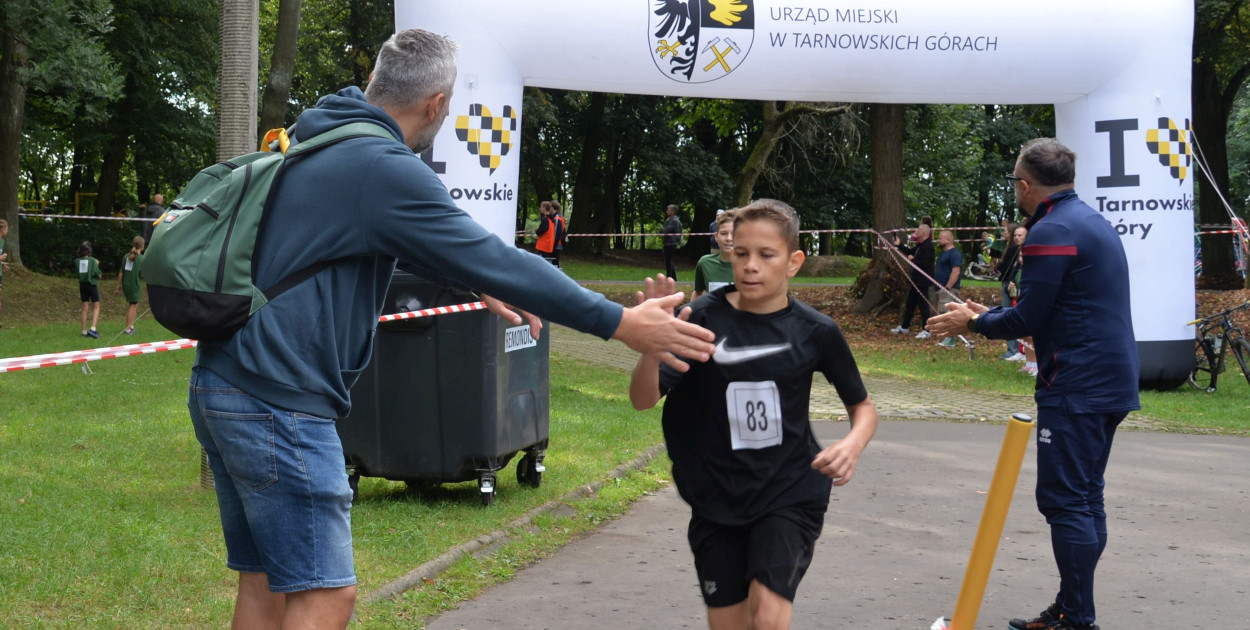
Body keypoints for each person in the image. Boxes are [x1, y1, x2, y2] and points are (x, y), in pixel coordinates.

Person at [187, 29, 717, 630]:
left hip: (223, 384)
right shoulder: (379, 165)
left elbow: (344, 245)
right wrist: (620, 322)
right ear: (437, 103)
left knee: (266, 583)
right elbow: (497, 257)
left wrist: (468, 278)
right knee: (323, 595)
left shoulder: (319, 137)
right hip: (278, 401)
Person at [629, 199, 878, 630]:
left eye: (766, 255)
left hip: (789, 490)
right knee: (730, 623)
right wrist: (651, 352)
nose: (750, 266)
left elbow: (863, 407)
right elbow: (642, 399)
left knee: (766, 612)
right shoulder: (699, 318)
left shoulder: (817, 331)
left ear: (793, 261)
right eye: (741, 253)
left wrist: (852, 444)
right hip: (715, 493)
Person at [927, 138, 1140, 630]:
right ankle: (1071, 608)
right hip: (1110, 376)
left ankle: (1078, 618)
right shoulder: (1089, 220)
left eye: (1014, 183)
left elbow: (1032, 314)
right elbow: (1057, 308)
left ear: (1025, 185)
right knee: (1086, 497)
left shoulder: (1050, 231)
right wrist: (990, 315)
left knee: (1066, 501)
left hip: (1078, 383)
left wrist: (974, 324)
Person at [888, 220, 935, 337]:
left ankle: (926, 330)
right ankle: (905, 327)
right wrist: (899, 245)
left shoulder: (928, 247)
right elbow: (909, 252)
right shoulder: (920, 245)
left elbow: (925, 263)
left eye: (918, 230)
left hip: (922, 281)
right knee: (910, 304)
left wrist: (913, 260)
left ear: (924, 232)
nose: (916, 232)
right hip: (916, 281)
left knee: (923, 305)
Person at [692, 209, 735, 299]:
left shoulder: (751, 266)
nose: (729, 238)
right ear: (716, 237)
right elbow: (698, 293)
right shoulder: (705, 264)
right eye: (724, 233)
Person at [997, 221, 1025, 360]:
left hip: (1012, 284)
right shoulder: (1013, 248)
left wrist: (1010, 279)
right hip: (1010, 282)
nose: (1016, 237)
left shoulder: (1014, 249)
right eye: (1016, 235)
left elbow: (1005, 267)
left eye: (1019, 235)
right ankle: (1014, 349)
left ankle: (1015, 349)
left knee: (1009, 314)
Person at [932, 229, 963, 348]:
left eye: (940, 238)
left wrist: (948, 287)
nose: (938, 240)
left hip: (949, 290)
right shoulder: (943, 253)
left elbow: (956, 272)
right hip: (940, 288)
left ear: (948, 239)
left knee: (947, 314)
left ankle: (950, 339)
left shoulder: (954, 253)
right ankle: (945, 337)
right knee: (941, 314)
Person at [116, 236, 145, 335]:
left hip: (126, 284)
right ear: (142, 246)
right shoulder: (142, 259)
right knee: (133, 305)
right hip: (134, 285)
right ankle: (128, 329)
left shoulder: (126, 256)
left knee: (134, 304)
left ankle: (131, 325)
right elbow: (142, 274)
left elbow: (121, 272)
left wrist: (119, 285)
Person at [74, 241, 102, 339]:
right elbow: (98, 274)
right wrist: (97, 264)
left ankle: (84, 330)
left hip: (82, 285)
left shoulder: (77, 261)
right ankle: (93, 329)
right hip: (92, 285)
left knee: (85, 308)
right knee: (96, 307)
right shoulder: (92, 260)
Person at [661, 203, 682, 280]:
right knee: (668, 261)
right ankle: (673, 278)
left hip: (671, 243)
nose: (667, 211)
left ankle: (669, 277)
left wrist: (663, 230)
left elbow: (666, 230)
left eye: (668, 210)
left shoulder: (675, 221)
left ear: (673, 211)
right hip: (667, 242)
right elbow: (663, 230)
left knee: (668, 261)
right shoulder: (668, 220)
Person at [550, 200, 567, 268]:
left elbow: (557, 232)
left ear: (552, 208)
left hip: (556, 244)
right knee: (555, 261)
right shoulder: (559, 217)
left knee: (554, 262)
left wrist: (553, 244)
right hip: (557, 243)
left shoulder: (557, 218)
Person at [0, 219, 9, 328]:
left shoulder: (2, 241)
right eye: (7, 228)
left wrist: (2, 263)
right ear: (2, 229)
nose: (7, 231)